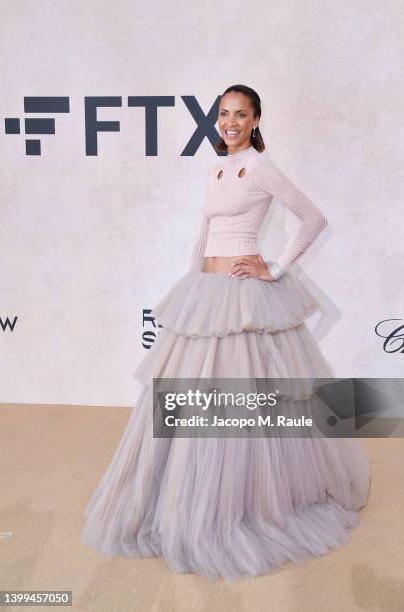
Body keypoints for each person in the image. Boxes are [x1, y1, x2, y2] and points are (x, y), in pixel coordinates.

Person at [81, 84, 370, 582]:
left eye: (241, 114)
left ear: (256, 120)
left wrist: (275, 269)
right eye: (224, 114)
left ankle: (246, 504)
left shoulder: (259, 166)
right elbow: (203, 235)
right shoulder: (216, 167)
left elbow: (313, 217)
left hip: (243, 296)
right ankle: (180, 499)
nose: (230, 122)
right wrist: (193, 281)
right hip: (207, 290)